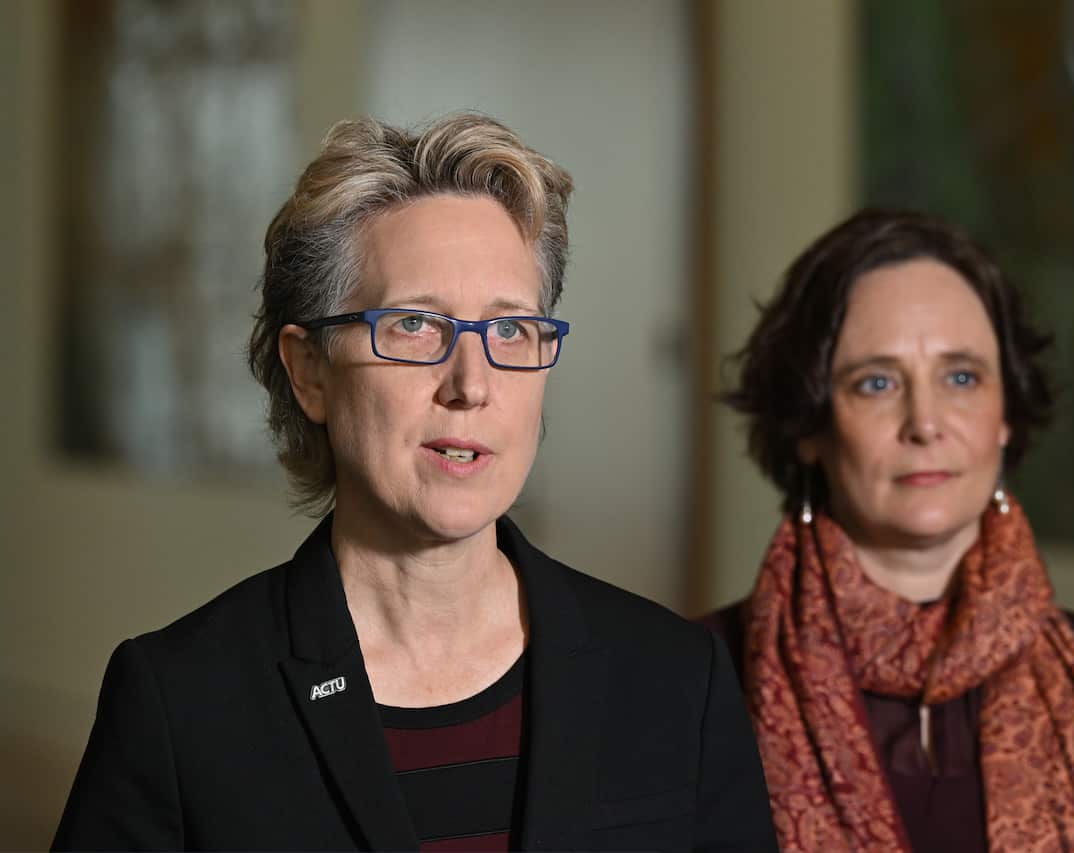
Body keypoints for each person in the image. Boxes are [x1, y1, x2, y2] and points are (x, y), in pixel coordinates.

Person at [53, 113, 776, 852]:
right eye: (413, 326)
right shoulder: (182, 701)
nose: (471, 384)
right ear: (309, 371)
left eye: (509, 330)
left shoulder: (675, 679)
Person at [704, 208, 1074, 852]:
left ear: (1006, 412)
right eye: (876, 382)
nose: (925, 422)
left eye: (960, 377)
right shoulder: (693, 684)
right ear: (810, 427)